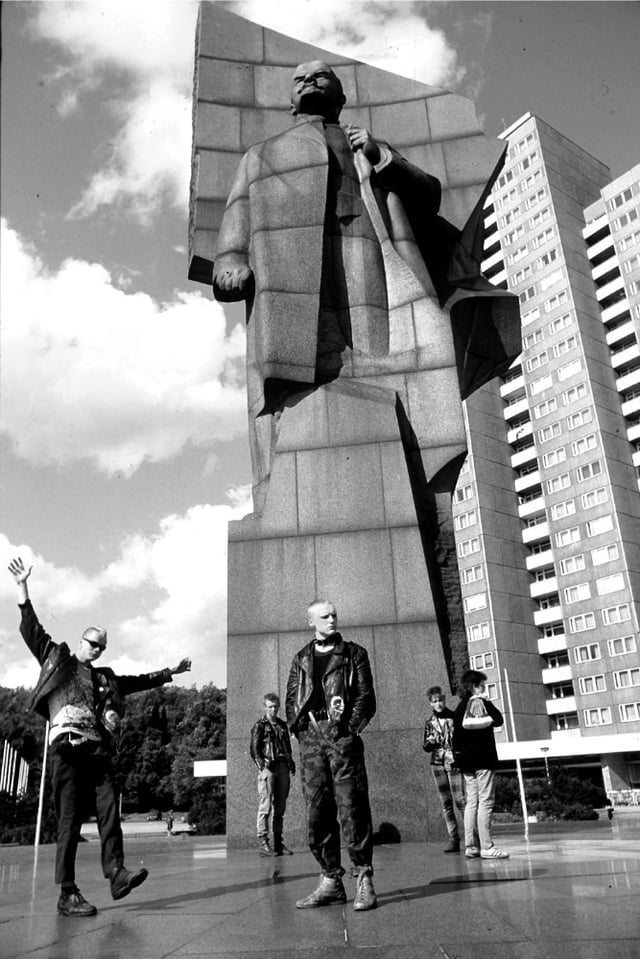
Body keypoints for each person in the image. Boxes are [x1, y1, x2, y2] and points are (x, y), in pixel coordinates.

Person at [213, 60, 520, 512]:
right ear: (290, 100)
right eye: (299, 79)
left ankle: (373, 384)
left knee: (374, 338)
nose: (308, 82)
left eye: (321, 76)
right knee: (310, 348)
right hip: (291, 266)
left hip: (363, 242)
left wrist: (380, 157)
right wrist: (231, 258)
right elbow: (238, 212)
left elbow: (429, 194)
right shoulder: (261, 154)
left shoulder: (366, 144)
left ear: (340, 96)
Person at [8, 557, 192, 916]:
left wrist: (172, 671)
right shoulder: (57, 657)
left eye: (102, 647)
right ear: (81, 640)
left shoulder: (103, 677)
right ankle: (67, 892)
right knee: (70, 821)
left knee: (109, 810)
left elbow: (137, 681)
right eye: (93, 643)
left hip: (96, 750)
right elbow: (31, 629)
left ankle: (117, 874)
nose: (96, 649)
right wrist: (22, 588)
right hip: (66, 748)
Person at [285, 600, 377, 911]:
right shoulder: (301, 658)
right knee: (317, 810)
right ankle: (330, 880)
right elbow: (291, 700)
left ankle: (363, 877)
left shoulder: (353, 654)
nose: (332, 619)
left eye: (334, 614)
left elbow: (366, 697)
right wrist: (300, 730)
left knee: (352, 807)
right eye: (325, 616)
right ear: (310, 620)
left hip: (341, 736)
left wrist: (348, 729)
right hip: (311, 737)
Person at [452, 669, 509, 860]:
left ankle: (471, 846)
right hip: (483, 761)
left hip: (467, 764)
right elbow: (499, 719)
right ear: (475, 687)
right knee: (486, 802)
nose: (485, 689)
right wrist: (485, 700)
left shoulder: (460, 708)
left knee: (471, 803)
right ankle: (487, 846)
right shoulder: (481, 703)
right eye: (482, 686)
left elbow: (456, 738)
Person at [249, 692, 296, 856]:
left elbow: (287, 747)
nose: (273, 709)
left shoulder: (283, 725)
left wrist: (291, 763)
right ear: (265, 707)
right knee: (265, 805)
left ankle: (278, 842)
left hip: (283, 766)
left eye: (275, 706)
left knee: (280, 806)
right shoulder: (259, 725)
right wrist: (263, 767)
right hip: (268, 766)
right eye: (270, 706)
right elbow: (254, 750)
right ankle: (263, 842)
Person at [423, 685, 466, 853]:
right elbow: (425, 747)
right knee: (446, 803)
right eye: (435, 701)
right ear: (430, 704)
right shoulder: (429, 723)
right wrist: (430, 742)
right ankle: (453, 839)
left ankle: (472, 838)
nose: (438, 703)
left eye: (440, 700)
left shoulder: (454, 717)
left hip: (453, 762)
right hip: (437, 764)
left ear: (444, 700)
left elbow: (462, 740)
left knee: (460, 801)